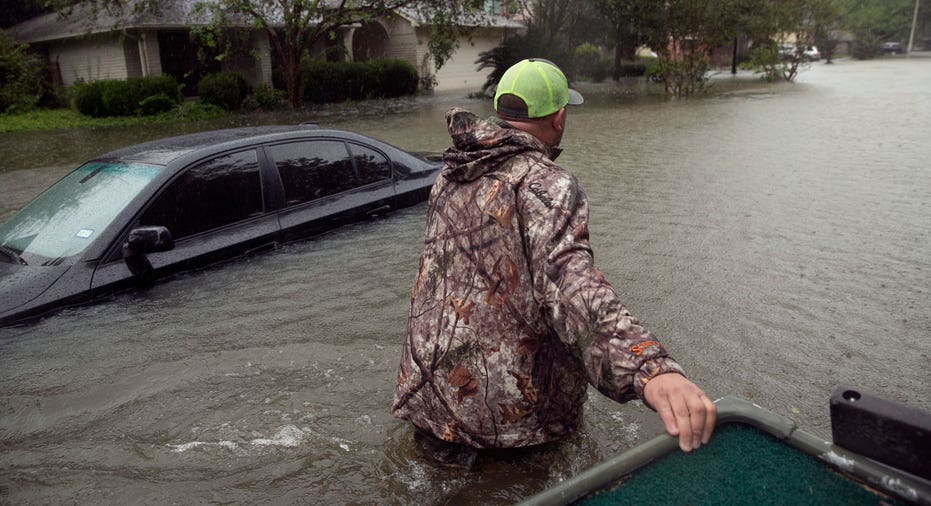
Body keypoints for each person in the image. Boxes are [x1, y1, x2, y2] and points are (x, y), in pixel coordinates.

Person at [392, 58, 715, 465]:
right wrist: (649, 365)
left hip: (431, 401)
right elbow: (569, 282)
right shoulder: (548, 184)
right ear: (559, 117)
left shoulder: (452, 172)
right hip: (508, 428)